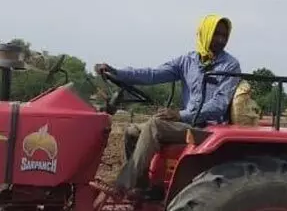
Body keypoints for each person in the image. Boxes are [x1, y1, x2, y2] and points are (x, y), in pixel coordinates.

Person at [95, 15, 241, 197]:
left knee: (155, 125)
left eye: (224, 36)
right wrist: (117, 72)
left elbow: (218, 105)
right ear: (204, 33)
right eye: (216, 34)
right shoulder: (187, 62)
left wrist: (181, 115)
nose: (221, 40)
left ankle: (122, 185)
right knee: (132, 131)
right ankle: (141, 188)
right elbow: (152, 74)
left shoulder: (230, 65)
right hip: (188, 124)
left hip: (209, 129)